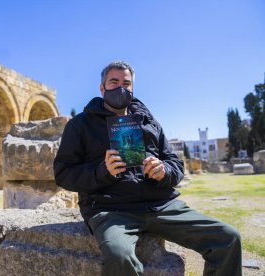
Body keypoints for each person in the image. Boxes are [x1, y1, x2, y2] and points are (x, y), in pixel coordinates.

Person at [53, 61, 242, 276]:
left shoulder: (149, 121)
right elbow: (63, 173)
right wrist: (102, 171)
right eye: (114, 82)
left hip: (161, 205)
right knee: (119, 257)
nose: (121, 87)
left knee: (228, 238)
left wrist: (164, 170)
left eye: (127, 83)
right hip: (110, 209)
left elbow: (174, 162)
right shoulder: (80, 125)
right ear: (102, 87)